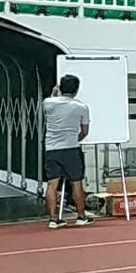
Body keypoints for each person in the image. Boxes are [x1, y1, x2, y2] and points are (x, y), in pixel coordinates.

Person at [43, 74, 94, 229]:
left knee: (52, 184)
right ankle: (81, 216)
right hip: (71, 148)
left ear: (60, 87)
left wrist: (54, 93)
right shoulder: (81, 107)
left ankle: (53, 219)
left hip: (52, 149)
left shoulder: (48, 103)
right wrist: (75, 139)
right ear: (76, 90)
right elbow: (84, 131)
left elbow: (51, 102)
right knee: (76, 182)